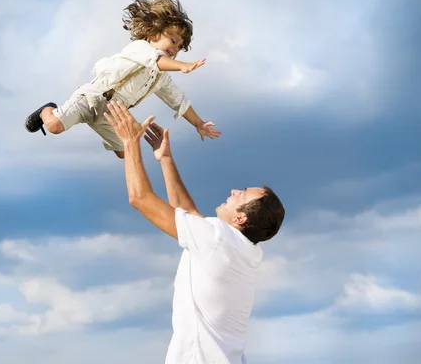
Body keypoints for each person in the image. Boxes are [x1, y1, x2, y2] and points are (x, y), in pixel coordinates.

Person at [103, 100, 285, 363]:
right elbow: (188, 214)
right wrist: (165, 159)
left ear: (241, 218)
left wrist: (130, 142)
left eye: (242, 194)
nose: (235, 191)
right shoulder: (246, 251)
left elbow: (140, 198)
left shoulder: (218, 239)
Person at [24, 0, 221, 159]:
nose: (176, 49)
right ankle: (46, 110)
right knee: (54, 126)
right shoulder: (140, 48)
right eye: (173, 41)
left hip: (112, 115)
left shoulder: (161, 78)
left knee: (126, 152)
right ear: (153, 33)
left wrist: (198, 124)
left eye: (179, 48)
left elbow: (178, 101)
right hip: (90, 98)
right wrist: (183, 66)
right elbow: (156, 60)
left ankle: (99, 129)